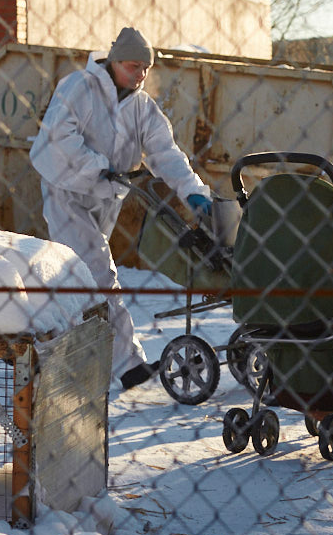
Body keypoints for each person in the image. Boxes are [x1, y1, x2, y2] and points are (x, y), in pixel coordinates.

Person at [30, 27, 213, 390]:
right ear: (114, 62)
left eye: (145, 68)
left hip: (107, 195)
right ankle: (129, 365)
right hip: (65, 189)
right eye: (133, 66)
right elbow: (59, 136)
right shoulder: (79, 86)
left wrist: (193, 191)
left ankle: (46, 354)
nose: (140, 74)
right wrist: (96, 164)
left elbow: (165, 152)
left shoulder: (142, 106)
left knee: (75, 277)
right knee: (99, 271)